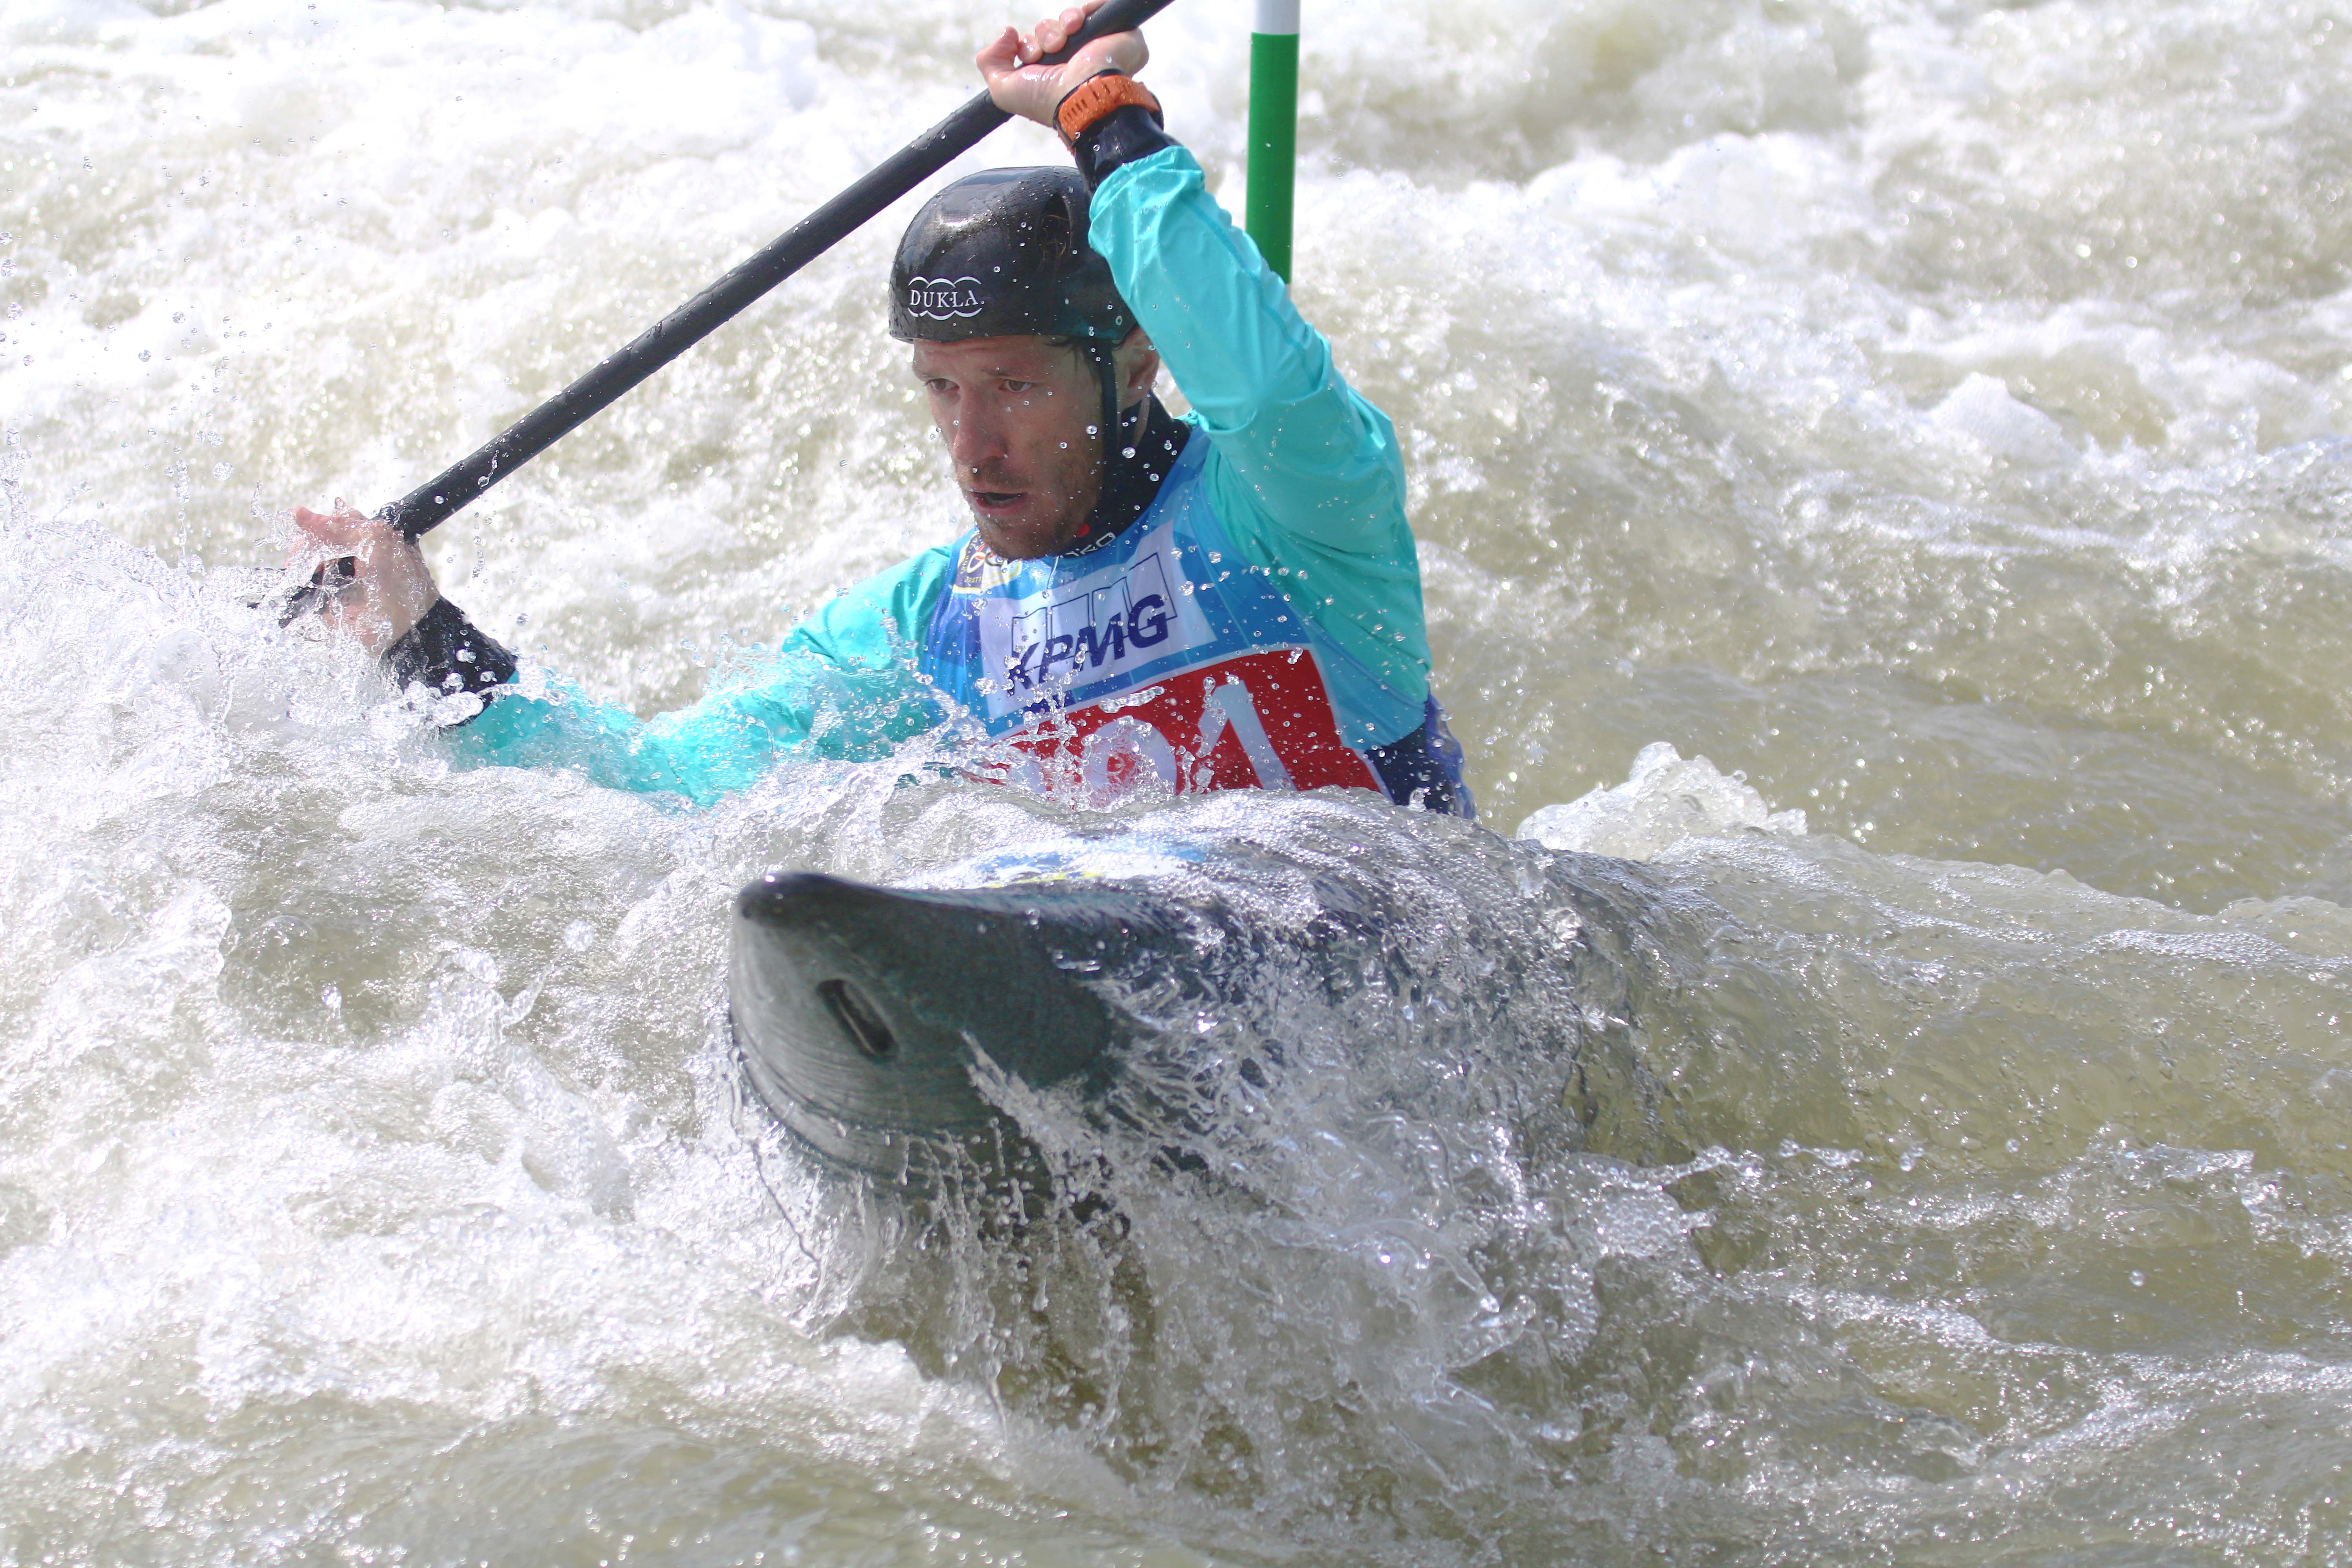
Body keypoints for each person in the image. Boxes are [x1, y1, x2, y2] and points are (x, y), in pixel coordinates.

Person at [291, 2, 1472, 818]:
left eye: (1014, 385)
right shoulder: (930, 630)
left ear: (1139, 356)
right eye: (943, 389)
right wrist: (423, 639)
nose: (972, 444)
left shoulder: (1296, 516)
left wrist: (1103, 114)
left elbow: (1261, 378)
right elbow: (657, 791)